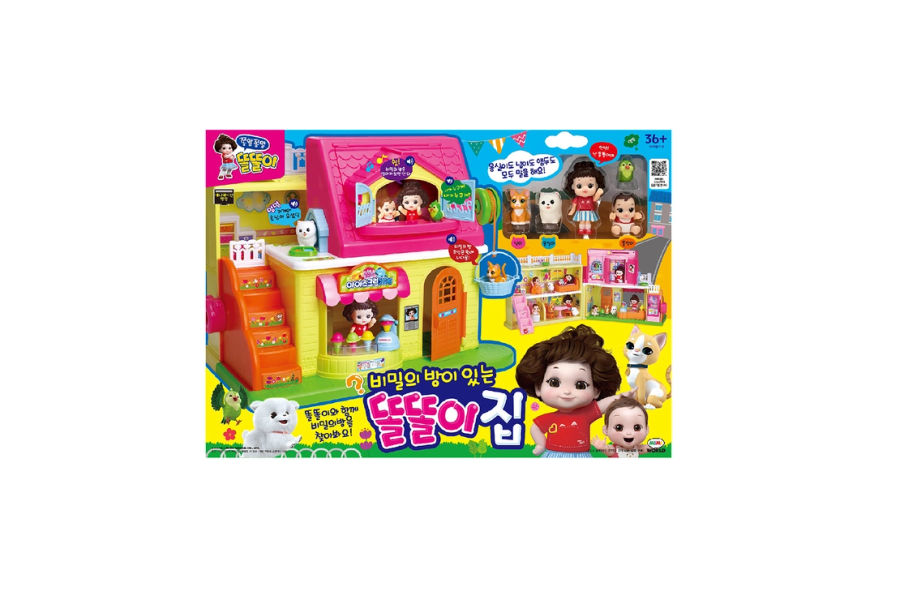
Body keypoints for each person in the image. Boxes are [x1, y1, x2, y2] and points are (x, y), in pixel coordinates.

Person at [515, 325, 622, 457]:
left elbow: (607, 403)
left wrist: (627, 396)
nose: (566, 391)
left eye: (580, 385)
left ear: (596, 391)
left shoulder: (587, 414)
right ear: (538, 388)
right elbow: (535, 428)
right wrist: (541, 444)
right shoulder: (550, 418)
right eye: (554, 383)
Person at [564, 161, 606, 239]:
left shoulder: (591, 198)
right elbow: (574, 206)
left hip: (589, 211)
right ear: (572, 186)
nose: (585, 189)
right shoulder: (577, 199)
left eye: (590, 185)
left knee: (587, 222)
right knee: (582, 222)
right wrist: (572, 211)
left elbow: (595, 200)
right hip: (580, 212)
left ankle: (587, 232)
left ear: (596, 185)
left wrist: (598, 193)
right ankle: (582, 231)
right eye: (579, 186)